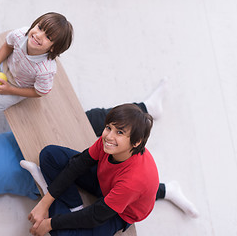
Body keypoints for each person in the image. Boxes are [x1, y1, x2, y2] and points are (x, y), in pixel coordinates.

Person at [20, 79, 199, 236]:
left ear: (136, 142)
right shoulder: (109, 142)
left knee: (61, 232)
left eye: (119, 132)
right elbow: (79, 164)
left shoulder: (132, 182)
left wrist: (51, 223)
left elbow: (96, 216)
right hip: (105, 182)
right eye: (109, 128)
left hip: (119, 212)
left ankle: (47, 187)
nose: (108, 136)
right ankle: (74, 206)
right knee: (50, 155)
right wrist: (45, 202)